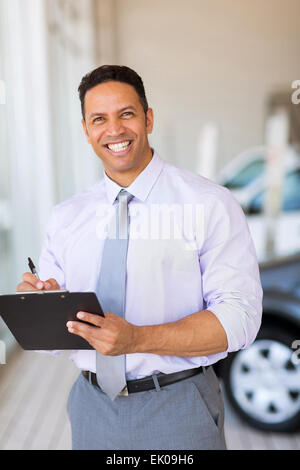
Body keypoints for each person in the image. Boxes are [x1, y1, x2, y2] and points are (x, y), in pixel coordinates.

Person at [17, 65, 263, 450]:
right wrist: (39, 306)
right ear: (86, 130)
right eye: (99, 119)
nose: (114, 130)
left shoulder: (210, 204)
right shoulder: (67, 216)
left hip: (178, 406)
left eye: (126, 114)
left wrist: (137, 339)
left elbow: (239, 320)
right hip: (91, 407)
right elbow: (54, 340)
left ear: (148, 118)